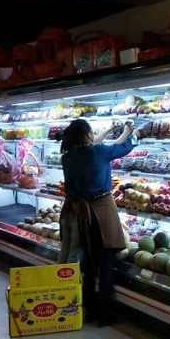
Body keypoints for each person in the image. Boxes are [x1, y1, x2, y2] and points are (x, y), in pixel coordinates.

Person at [57, 119, 140, 326]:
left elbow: (95, 146)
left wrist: (112, 129)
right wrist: (133, 134)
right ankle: (105, 313)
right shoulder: (97, 152)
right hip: (101, 212)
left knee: (89, 262)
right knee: (106, 263)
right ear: (87, 135)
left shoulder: (68, 156)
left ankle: (90, 310)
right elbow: (123, 148)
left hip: (80, 214)